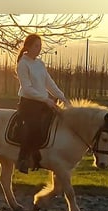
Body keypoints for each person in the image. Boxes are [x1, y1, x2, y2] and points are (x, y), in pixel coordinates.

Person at [16, 34, 71, 174]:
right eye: (36, 46)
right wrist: (46, 100)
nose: (39, 49)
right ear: (27, 47)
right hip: (28, 104)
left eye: (40, 46)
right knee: (34, 126)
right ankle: (24, 158)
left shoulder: (39, 64)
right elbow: (27, 89)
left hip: (42, 102)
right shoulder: (23, 64)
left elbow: (49, 83)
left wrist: (62, 98)